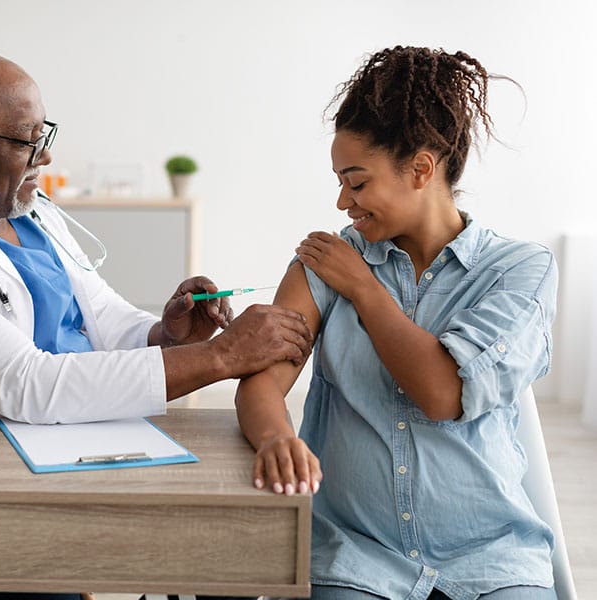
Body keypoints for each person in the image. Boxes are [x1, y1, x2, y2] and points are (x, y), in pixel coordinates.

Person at [0, 48, 313, 600]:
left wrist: (165, 335)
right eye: (27, 140)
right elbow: (30, 384)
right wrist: (222, 358)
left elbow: (101, 318)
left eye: (44, 133)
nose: (44, 157)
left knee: (220, 552)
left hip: (77, 447)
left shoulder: (31, 213)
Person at [235, 46, 558, 600]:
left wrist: (363, 287)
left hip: (492, 559)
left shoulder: (520, 270)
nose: (343, 201)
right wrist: (275, 438)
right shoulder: (325, 262)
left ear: (421, 169)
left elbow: (443, 392)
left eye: (357, 183)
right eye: (340, 181)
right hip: (354, 558)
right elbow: (263, 379)